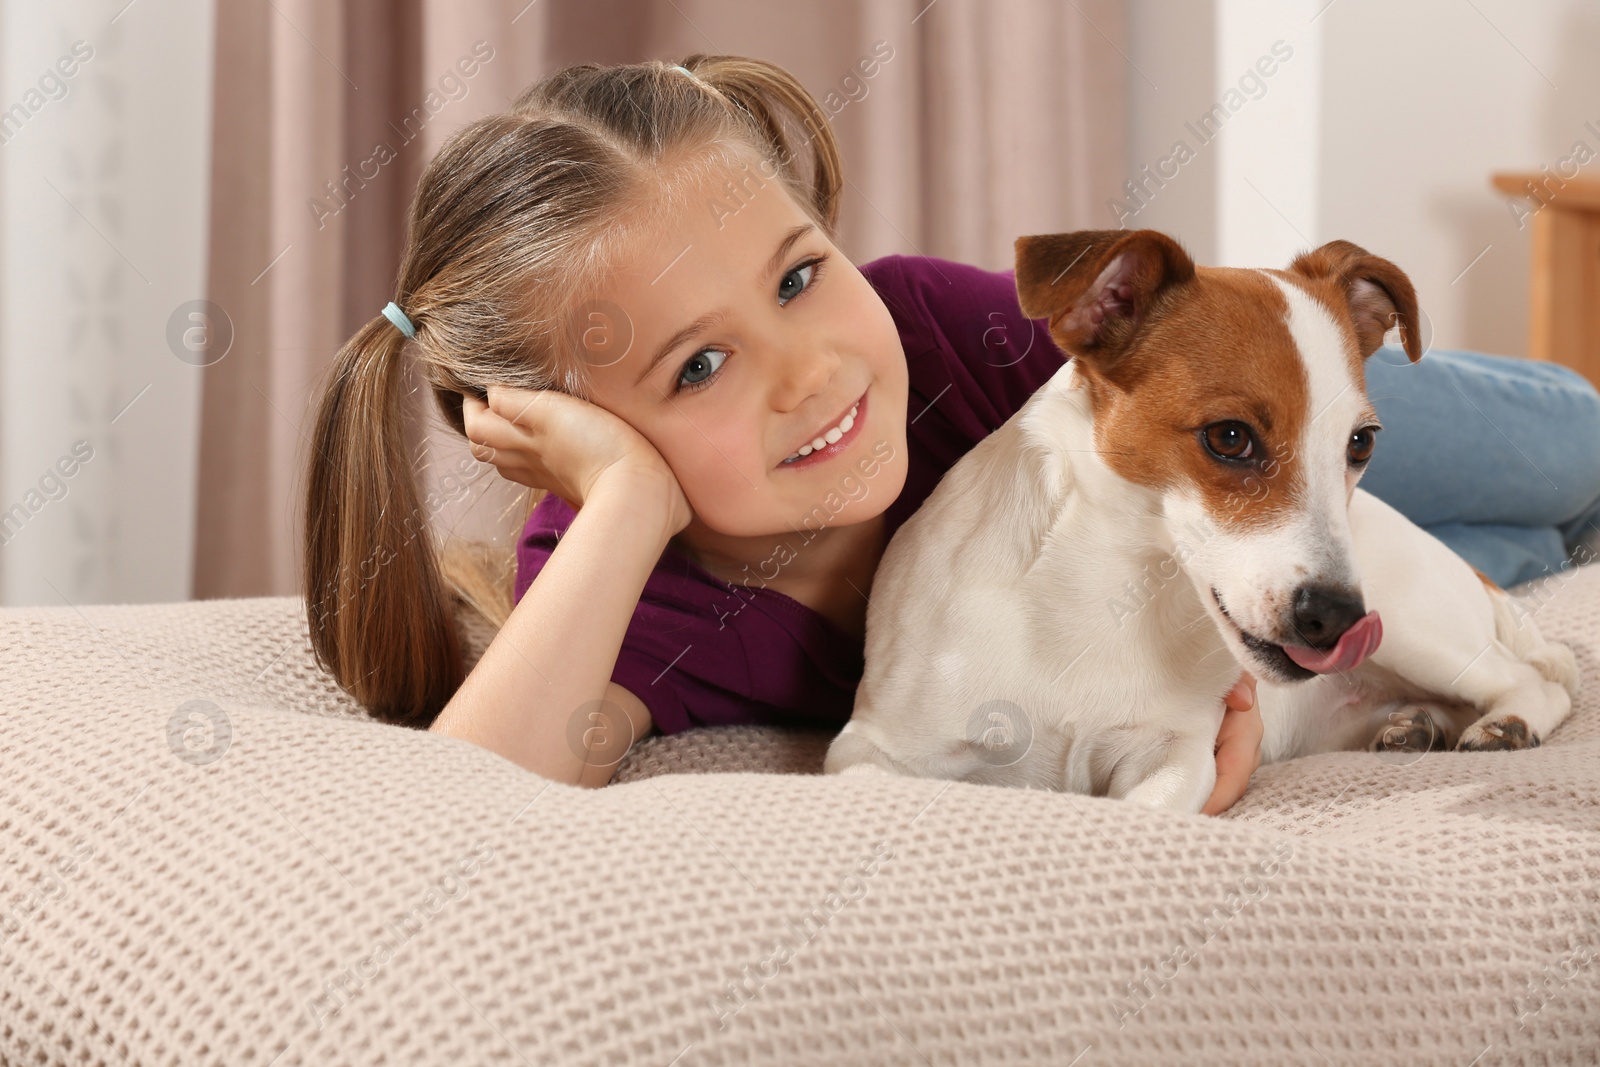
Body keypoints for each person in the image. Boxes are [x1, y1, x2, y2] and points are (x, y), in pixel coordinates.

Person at [302, 54, 1600, 810]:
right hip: (1235, 515)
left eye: (801, 274)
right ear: (570, 436)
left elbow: (1192, 355)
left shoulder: (931, 326)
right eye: (698, 363)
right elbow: (462, 810)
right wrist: (627, 508)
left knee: (1561, 458)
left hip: (1265, 404)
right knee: (1513, 551)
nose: (811, 373)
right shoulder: (629, 590)